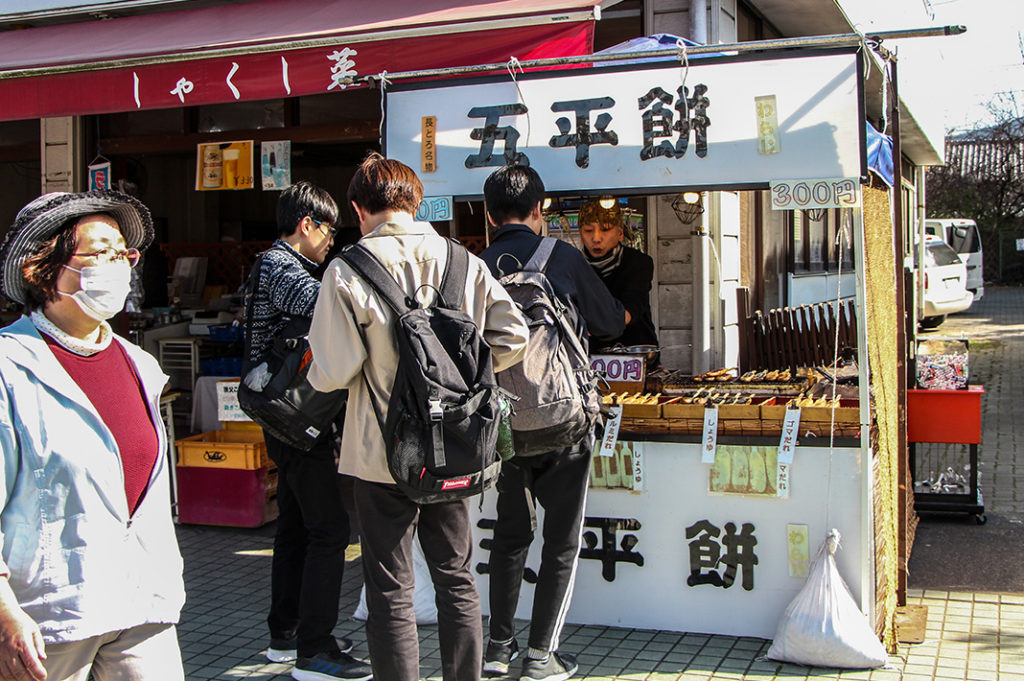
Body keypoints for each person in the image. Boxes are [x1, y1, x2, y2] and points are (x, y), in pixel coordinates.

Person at [307, 152, 528, 681]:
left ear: (359, 209)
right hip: (456, 447)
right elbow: (513, 336)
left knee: (389, 587)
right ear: (416, 201)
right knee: (456, 576)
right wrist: (468, 377)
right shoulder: (463, 261)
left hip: (380, 455)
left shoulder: (347, 269)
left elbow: (333, 372)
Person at [0, 190, 185, 681]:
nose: (116, 264)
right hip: (49, 620)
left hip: (143, 602)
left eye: (120, 251)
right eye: (96, 251)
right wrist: (5, 614)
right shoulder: (8, 368)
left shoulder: (139, 364)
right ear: (40, 268)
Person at [478, 166, 627, 681]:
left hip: (503, 428)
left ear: (488, 215)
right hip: (564, 421)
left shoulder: (474, 268)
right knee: (561, 541)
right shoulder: (561, 256)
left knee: (511, 535)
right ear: (540, 212)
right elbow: (609, 322)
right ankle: (541, 656)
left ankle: (497, 649)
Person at [243, 181, 370, 681]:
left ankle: (286, 634)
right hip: (296, 418)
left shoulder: (273, 264)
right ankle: (315, 650)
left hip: (286, 417)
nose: (331, 242)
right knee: (331, 529)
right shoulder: (281, 266)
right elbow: (331, 304)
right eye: (329, 231)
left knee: (295, 524)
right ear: (306, 225)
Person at [578, 198, 659, 352]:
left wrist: (588, 325)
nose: (596, 238)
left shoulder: (639, 262)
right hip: (590, 356)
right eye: (588, 230)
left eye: (605, 229)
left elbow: (630, 308)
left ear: (620, 233)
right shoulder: (573, 264)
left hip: (635, 353)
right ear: (581, 235)